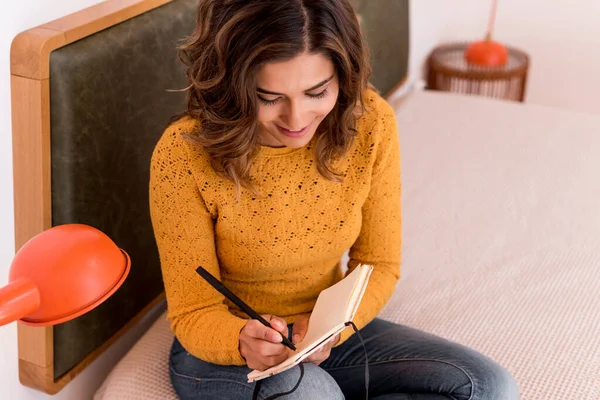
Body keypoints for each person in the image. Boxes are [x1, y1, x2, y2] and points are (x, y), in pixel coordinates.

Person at [149, 0, 520, 399]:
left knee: (489, 387)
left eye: (317, 92)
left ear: (343, 76)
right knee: (314, 395)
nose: (296, 119)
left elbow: (379, 263)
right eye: (269, 97)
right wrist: (241, 339)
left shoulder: (371, 124)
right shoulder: (183, 155)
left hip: (326, 332)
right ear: (231, 83)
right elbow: (193, 312)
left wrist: (334, 326)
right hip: (224, 352)